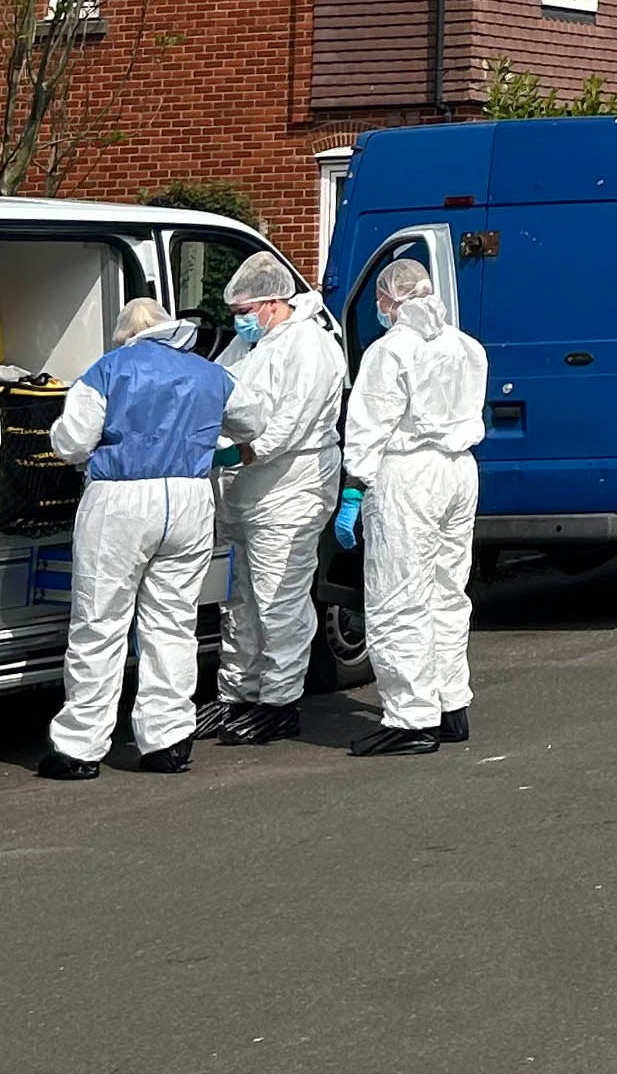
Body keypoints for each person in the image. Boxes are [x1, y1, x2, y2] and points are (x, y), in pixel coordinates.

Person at [39, 296, 229, 780]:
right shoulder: (208, 371)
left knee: (100, 623)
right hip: (189, 499)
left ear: (126, 334)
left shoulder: (108, 370)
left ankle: (80, 747)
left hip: (120, 501)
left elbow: (72, 441)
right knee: (172, 624)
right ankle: (167, 741)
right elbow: (253, 420)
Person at [344, 257, 487, 758]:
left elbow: (369, 424)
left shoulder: (389, 351)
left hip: (409, 474)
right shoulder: (466, 346)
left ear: (392, 299)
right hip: (459, 470)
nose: (379, 307)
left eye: (381, 300)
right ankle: (451, 705)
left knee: (397, 596)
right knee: (447, 592)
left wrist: (353, 488)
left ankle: (410, 718)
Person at [205, 254, 344, 746]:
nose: (237, 320)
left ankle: (280, 702)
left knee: (278, 598)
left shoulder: (310, 346)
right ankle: (236, 694)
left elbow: (290, 425)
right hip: (246, 494)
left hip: (291, 487)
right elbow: (215, 391)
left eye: (244, 310)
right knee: (239, 599)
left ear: (271, 303)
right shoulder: (252, 345)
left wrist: (240, 452)